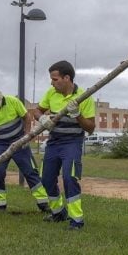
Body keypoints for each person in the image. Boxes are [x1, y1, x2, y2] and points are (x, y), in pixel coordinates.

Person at [34, 60, 95, 230]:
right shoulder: (51, 93)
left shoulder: (84, 96)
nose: (51, 83)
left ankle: (76, 220)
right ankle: (58, 212)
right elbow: (36, 110)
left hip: (72, 144)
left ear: (66, 78)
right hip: (53, 143)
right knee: (46, 179)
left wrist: (77, 115)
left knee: (70, 178)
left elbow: (90, 128)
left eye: (55, 79)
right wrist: (42, 118)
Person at [0, 89, 50, 213]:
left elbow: (27, 117)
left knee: (30, 170)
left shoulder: (13, 102)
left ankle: (43, 202)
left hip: (19, 141)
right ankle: (1, 203)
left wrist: (26, 137)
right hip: (1, 144)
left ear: (2, 99)